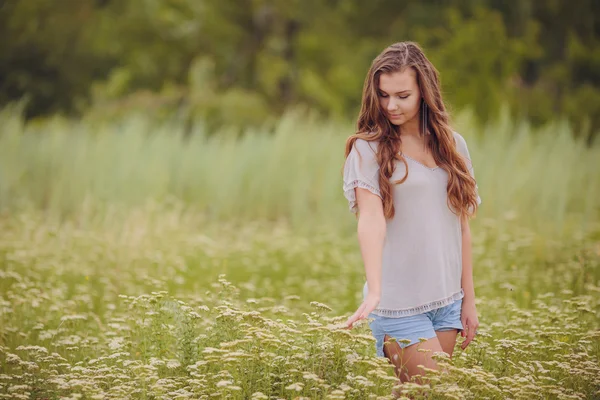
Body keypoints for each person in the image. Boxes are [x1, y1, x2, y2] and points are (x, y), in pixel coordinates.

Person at [342, 41, 481, 386]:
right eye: (384, 95)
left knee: (415, 394)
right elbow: (370, 220)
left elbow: (460, 227)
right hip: (397, 301)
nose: (391, 105)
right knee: (434, 389)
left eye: (402, 95)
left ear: (424, 91)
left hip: (447, 300)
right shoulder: (368, 149)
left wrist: (469, 301)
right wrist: (375, 291)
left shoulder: (453, 145)